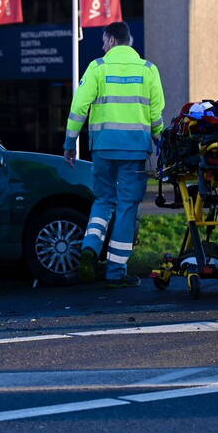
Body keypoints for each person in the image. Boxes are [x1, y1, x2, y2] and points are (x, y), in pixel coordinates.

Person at [64, 21, 165, 288]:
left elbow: (79, 107)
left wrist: (69, 142)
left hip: (104, 148)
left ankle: (90, 248)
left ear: (110, 40)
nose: (102, 46)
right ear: (129, 41)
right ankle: (116, 271)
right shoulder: (148, 70)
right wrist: (160, 142)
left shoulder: (97, 68)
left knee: (103, 200)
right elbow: (156, 115)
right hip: (134, 150)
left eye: (102, 41)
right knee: (127, 207)